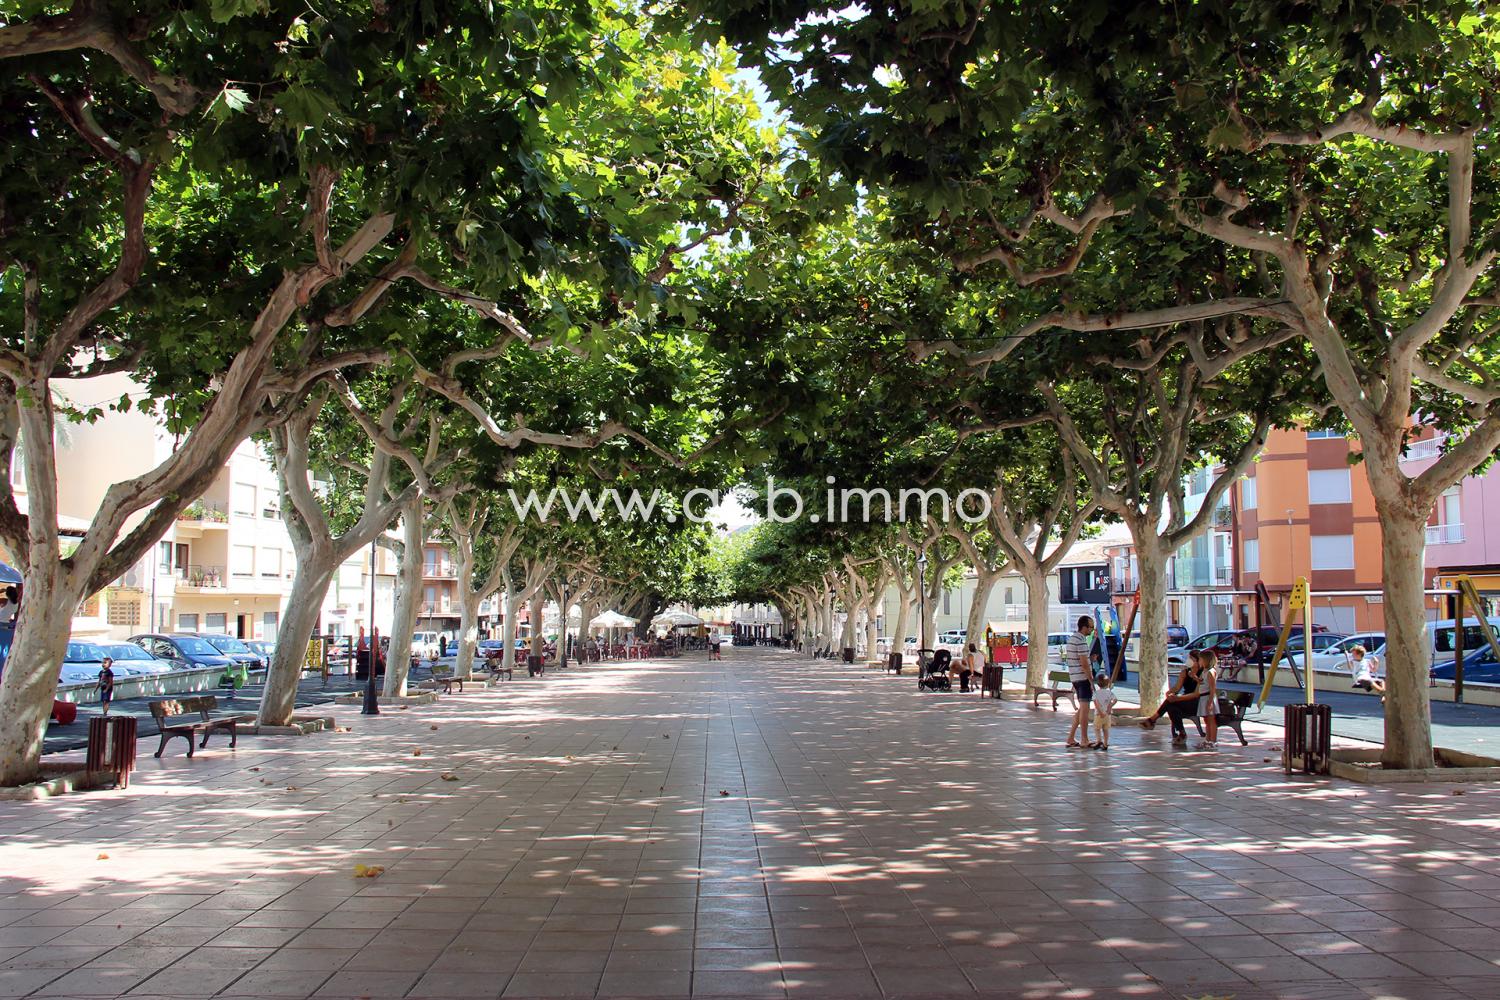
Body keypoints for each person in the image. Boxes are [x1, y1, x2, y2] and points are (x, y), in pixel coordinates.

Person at [1139, 653, 1203, 745]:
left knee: (1170, 703)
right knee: (1171, 706)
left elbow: (1196, 694)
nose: (1189, 660)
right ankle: (1181, 732)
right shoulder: (1185, 672)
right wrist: (1170, 692)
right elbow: (1177, 687)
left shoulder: (1202, 673)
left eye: (1192, 658)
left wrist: (1178, 698)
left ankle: (1153, 720)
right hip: (1185, 699)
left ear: (1197, 661)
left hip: (1196, 702)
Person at [1064, 616, 1095, 749]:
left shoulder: (1072, 639)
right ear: (1084, 627)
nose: (1092, 630)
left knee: (1082, 709)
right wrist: (1091, 680)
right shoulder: (1081, 641)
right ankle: (1084, 739)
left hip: (1075, 678)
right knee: (1085, 711)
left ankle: (1071, 737)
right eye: (1091, 627)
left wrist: (1090, 659)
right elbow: (1084, 664)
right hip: (1083, 679)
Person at [1194, 649, 1219, 750]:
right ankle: (1208, 740)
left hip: (1208, 697)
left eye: (1200, 659)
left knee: (1211, 720)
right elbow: (1202, 682)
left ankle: (1213, 741)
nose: (1199, 661)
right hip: (1203, 697)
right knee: (1206, 720)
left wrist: (1210, 702)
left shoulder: (1210, 672)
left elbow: (1212, 688)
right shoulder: (1204, 671)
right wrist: (1195, 678)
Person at [1092, 670, 1118, 750]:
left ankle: (1099, 741)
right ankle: (1105, 743)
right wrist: (1110, 706)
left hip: (1098, 714)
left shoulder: (1096, 693)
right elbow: (1115, 700)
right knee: (1106, 729)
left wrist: (1100, 712)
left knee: (1097, 728)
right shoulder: (1109, 692)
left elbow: (1096, 703)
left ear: (1098, 684)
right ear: (1108, 684)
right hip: (1107, 714)